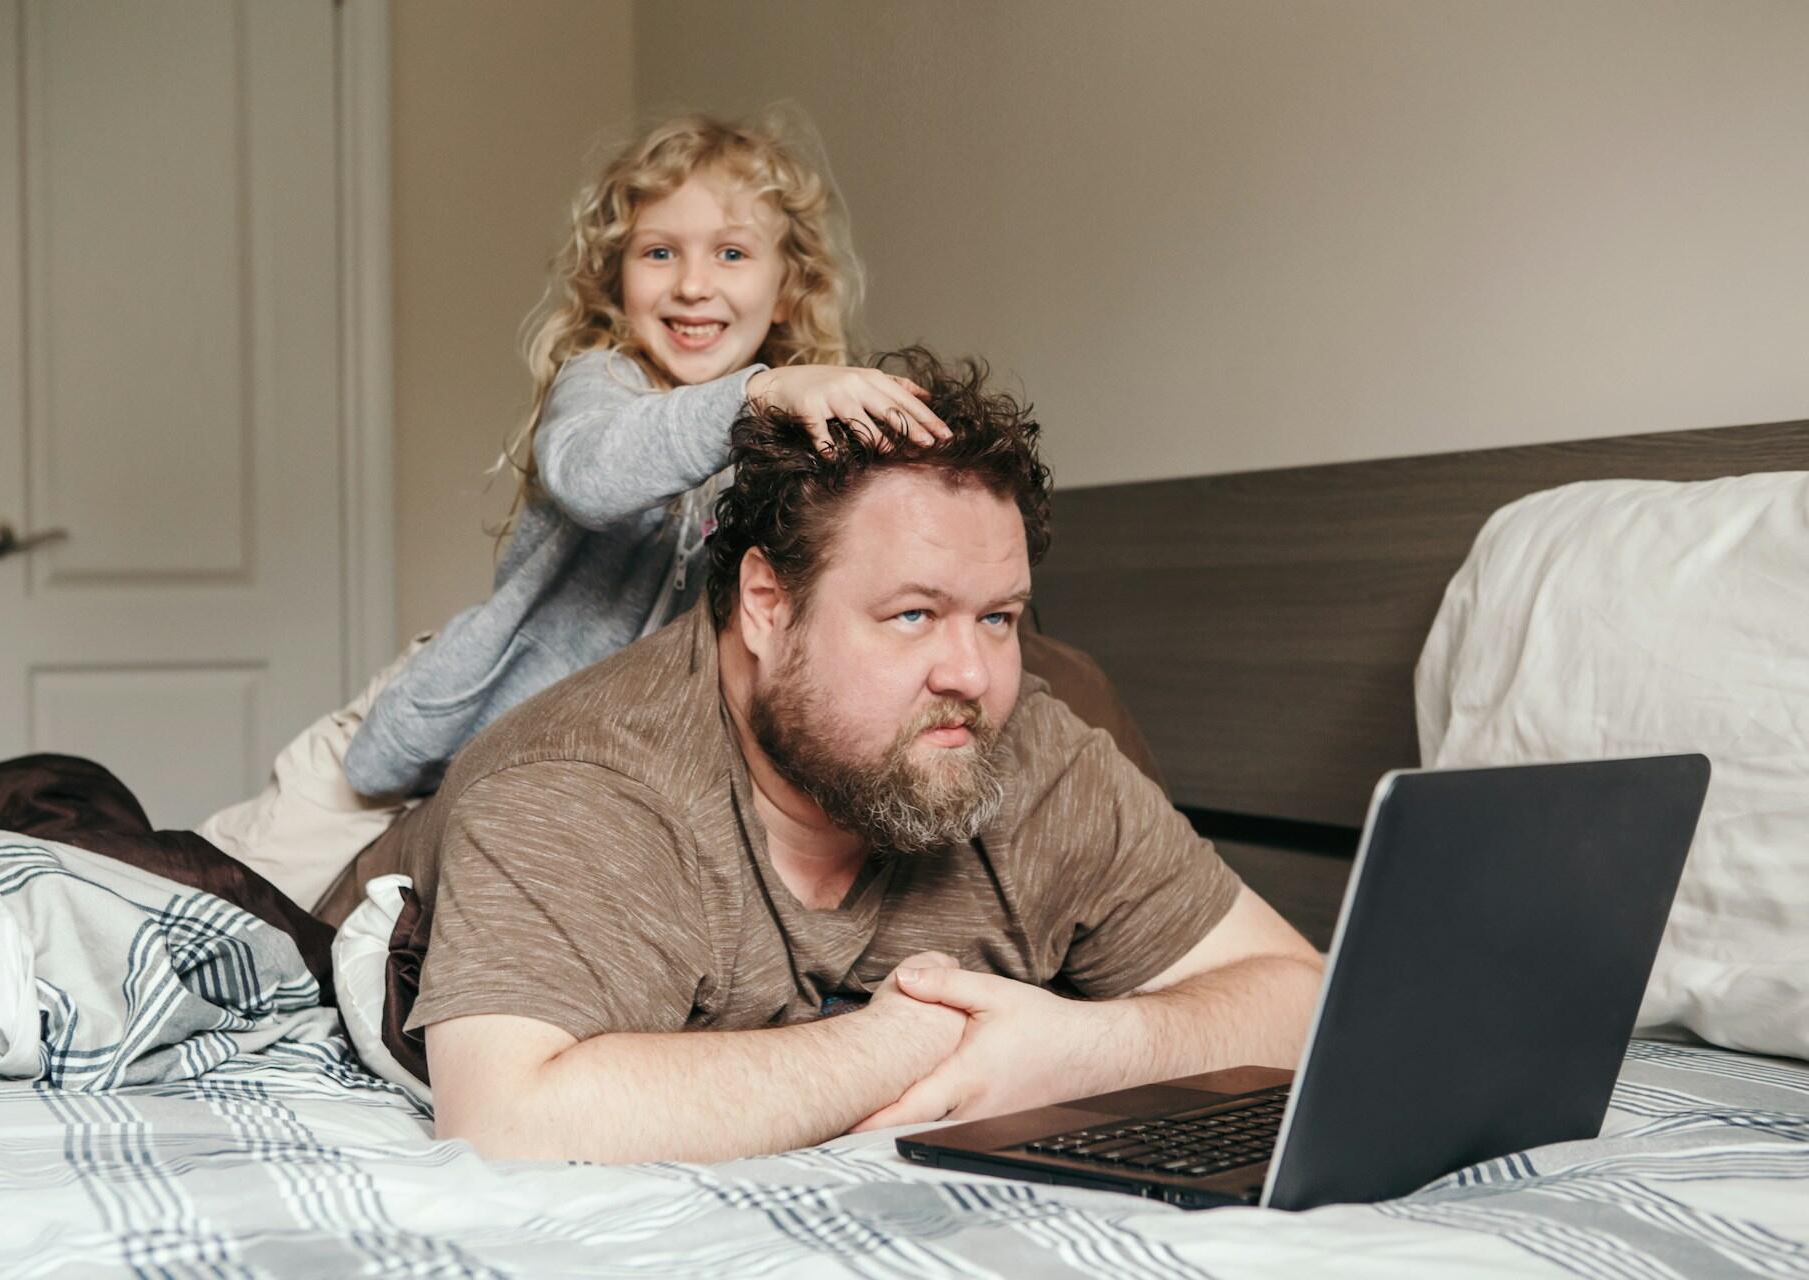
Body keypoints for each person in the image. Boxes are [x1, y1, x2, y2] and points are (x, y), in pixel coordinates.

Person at [314, 349, 1325, 1163]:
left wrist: (1080, 1046)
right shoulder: (588, 781)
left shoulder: (1031, 752)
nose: (970, 673)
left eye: (1000, 617)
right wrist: (909, 1037)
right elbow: (508, 1122)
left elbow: (1300, 991)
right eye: (913, 613)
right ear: (766, 603)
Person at [341, 112, 948, 801]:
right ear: (616, 277)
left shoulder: (783, 444)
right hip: (443, 717)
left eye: (731, 254)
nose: (692, 285)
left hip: (577, 765)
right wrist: (760, 392)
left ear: (787, 291)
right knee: (248, 869)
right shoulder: (603, 381)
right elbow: (592, 477)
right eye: (659, 253)